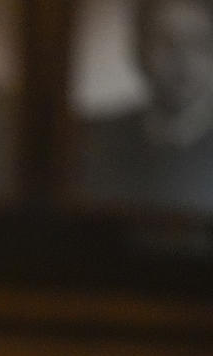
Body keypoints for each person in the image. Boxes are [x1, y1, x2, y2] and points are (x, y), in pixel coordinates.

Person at [73, 0, 213, 212]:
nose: (183, 59)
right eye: (166, 42)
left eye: (198, 43)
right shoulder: (93, 139)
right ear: (139, 48)